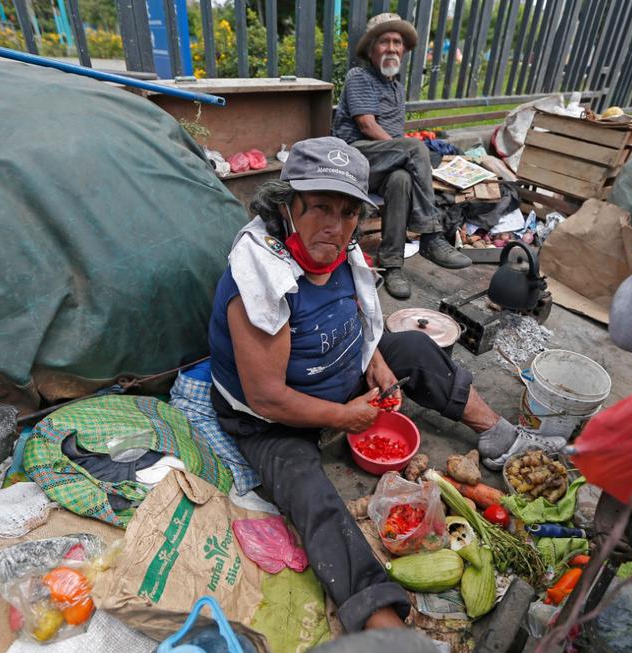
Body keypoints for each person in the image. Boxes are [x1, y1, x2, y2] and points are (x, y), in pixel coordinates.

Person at [208, 136, 564, 633]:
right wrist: (343, 417)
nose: (335, 227)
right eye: (320, 209)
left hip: (337, 380)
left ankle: (499, 434)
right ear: (289, 206)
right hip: (271, 418)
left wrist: (372, 357)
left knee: (416, 348)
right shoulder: (260, 278)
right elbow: (266, 396)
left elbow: (355, 315)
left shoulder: (340, 250)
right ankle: (383, 625)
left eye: (349, 212)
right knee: (310, 496)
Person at [332, 13, 471, 300]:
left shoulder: (396, 87)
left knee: (401, 179)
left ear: (404, 51)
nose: (392, 48)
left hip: (381, 165)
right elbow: (366, 125)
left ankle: (392, 265)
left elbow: (395, 140)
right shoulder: (359, 77)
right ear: (372, 49)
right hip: (352, 160)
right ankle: (431, 234)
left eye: (398, 43)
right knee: (414, 148)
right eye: (385, 42)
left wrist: (404, 150)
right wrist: (407, 148)